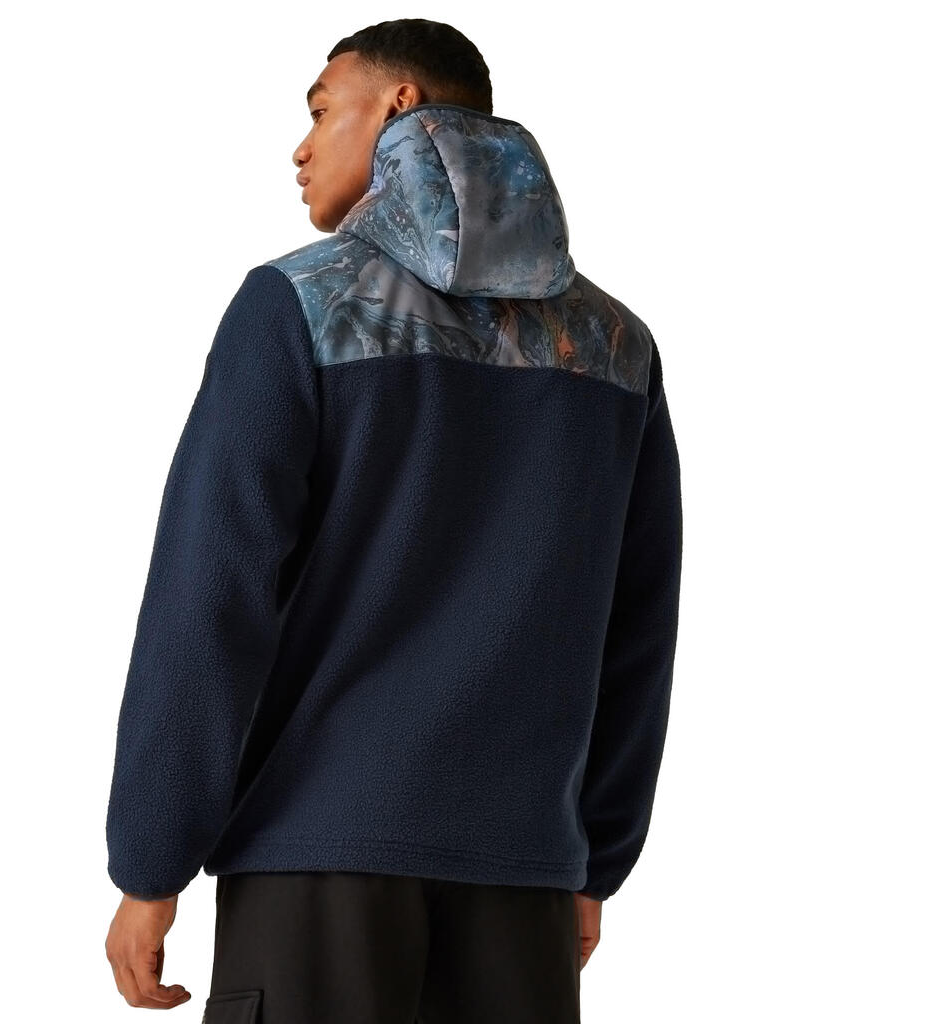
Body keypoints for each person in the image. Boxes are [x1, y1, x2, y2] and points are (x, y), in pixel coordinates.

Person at [104, 18, 683, 1024]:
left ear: (400, 104)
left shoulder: (295, 307)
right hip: (525, 875)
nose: (301, 147)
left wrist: (152, 858)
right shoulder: (614, 345)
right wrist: (593, 855)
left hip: (314, 863)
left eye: (322, 110)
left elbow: (210, 594)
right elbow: (639, 623)